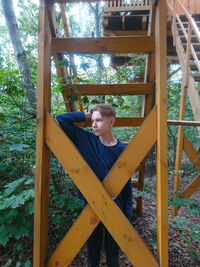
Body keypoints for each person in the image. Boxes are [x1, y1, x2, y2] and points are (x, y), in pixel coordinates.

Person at [56, 103, 133, 267]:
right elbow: (62, 119)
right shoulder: (86, 140)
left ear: (111, 121)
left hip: (116, 208)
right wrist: (87, 115)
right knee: (93, 256)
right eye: (92, 120)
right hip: (91, 207)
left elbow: (127, 187)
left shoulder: (123, 150)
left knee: (113, 258)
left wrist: (127, 215)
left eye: (98, 120)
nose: (93, 125)